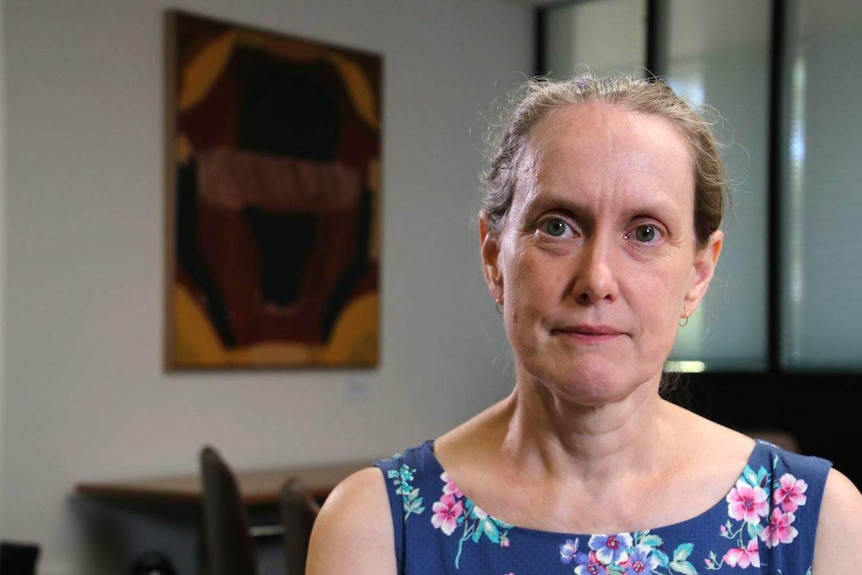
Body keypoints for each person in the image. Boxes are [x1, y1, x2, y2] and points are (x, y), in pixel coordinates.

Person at [306, 74, 862, 574]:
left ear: (698, 273)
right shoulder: (373, 529)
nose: (596, 279)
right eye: (557, 226)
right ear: (494, 255)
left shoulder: (817, 523)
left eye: (645, 232)